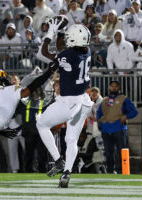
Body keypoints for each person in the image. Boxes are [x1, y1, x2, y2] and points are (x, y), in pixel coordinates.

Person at [36, 22, 94, 188]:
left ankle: (58, 160)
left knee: (42, 124)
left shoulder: (69, 55)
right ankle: (66, 171)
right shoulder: (86, 51)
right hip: (83, 102)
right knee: (71, 139)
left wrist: (50, 34)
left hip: (70, 102)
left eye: (68, 37)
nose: (66, 39)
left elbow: (43, 53)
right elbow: (61, 55)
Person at [97, 80, 138, 173]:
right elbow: (98, 113)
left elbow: (134, 112)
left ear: (119, 88)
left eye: (116, 86)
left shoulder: (124, 99)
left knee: (122, 152)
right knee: (108, 153)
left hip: (119, 129)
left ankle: (123, 171)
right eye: (112, 86)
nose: (114, 88)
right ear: (109, 87)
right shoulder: (104, 100)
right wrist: (101, 122)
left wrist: (126, 116)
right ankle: (110, 171)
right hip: (106, 131)